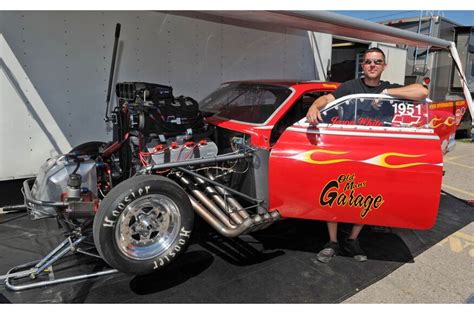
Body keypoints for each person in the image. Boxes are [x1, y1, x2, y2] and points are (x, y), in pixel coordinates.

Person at [306, 47, 428, 263]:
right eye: (369, 62)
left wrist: (387, 94)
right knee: (334, 190)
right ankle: (333, 241)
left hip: (376, 152)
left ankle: (352, 239)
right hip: (347, 149)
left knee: (367, 195)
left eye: (377, 62)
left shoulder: (390, 88)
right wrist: (314, 107)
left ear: (384, 66)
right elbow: (327, 98)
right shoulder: (351, 86)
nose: (372, 65)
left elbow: (422, 92)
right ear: (362, 65)